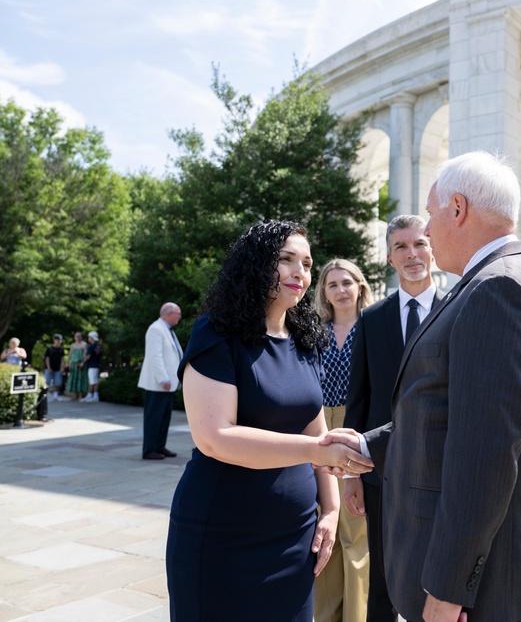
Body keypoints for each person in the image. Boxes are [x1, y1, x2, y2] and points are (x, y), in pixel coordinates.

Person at [327, 151, 521, 622]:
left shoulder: (499, 291)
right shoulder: (499, 279)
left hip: (487, 586)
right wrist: (364, 443)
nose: (430, 233)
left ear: (458, 208)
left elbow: (484, 453)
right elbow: (448, 417)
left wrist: (449, 585)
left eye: (433, 216)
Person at [165, 220, 372, 621]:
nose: (301, 272)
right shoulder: (217, 333)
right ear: (257, 263)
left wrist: (329, 511)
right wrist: (316, 450)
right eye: (286, 260)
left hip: (295, 538)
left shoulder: (304, 339)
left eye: (307, 263)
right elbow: (215, 437)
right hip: (223, 535)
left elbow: (317, 431)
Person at [342, 214, 444, 622]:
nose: (412, 254)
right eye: (401, 247)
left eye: (420, 244)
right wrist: (351, 473)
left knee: (438, 577)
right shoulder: (371, 319)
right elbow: (358, 400)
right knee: (382, 579)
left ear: (432, 249)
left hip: (440, 470)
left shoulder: (459, 309)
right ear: (389, 258)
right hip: (380, 474)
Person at [313, 258, 374, 622]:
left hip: (357, 428)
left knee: (356, 531)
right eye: (332, 284)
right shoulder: (314, 333)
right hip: (319, 427)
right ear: (324, 292)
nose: (340, 290)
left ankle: (357, 616)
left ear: (359, 286)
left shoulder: (371, 327)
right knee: (327, 526)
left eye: (346, 282)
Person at [137, 303, 184, 460]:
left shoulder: (166, 330)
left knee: (164, 417)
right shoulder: (156, 329)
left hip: (168, 385)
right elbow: (155, 356)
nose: (179, 318)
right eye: (178, 314)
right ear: (169, 314)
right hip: (158, 384)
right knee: (154, 417)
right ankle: (150, 449)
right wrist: (163, 378)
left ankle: (159, 446)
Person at [65, 332, 89, 399]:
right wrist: (67, 363)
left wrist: (82, 363)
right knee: (73, 378)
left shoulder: (84, 344)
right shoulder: (73, 345)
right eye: (76, 336)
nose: (77, 337)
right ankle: (74, 394)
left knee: (81, 378)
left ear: (81, 337)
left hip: (80, 363)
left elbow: (85, 355)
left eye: (79, 336)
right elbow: (70, 355)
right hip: (73, 363)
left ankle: (81, 394)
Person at [43, 335, 65, 402]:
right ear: (54, 340)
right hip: (49, 368)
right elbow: (47, 358)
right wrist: (48, 367)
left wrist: (62, 367)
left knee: (57, 382)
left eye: (60, 340)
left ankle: (55, 396)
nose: (58, 341)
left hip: (57, 368)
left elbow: (62, 359)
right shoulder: (49, 348)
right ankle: (45, 395)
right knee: (47, 382)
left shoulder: (61, 349)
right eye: (57, 339)